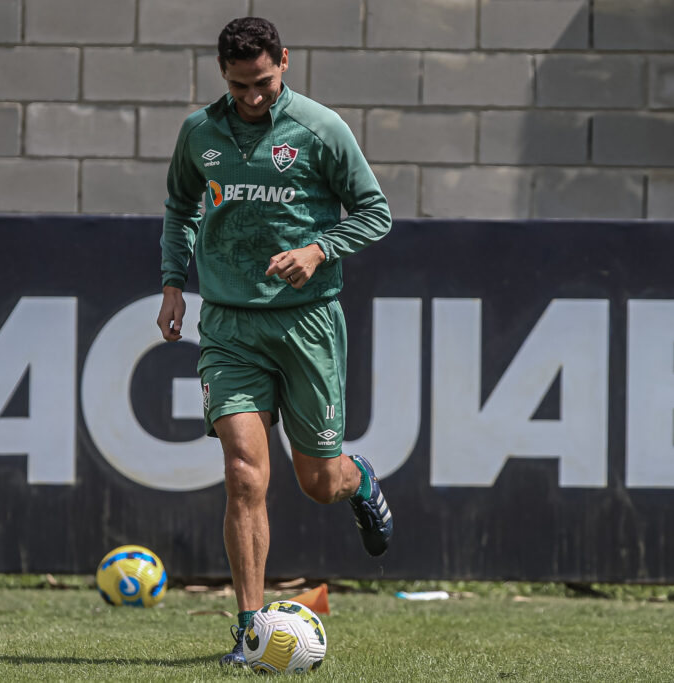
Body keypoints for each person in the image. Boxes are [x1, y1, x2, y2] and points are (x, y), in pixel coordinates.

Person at [156, 18, 394, 666]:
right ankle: (249, 629)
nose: (252, 97)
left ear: (284, 62)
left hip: (306, 324)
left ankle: (360, 478)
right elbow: (180, 206)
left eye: (262, 82)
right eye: (238, 86)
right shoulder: (200, 133)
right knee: (241, 473)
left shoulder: (321, 129)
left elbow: (376, 212)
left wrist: (319, 248)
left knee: (318, 480)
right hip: (230, 325)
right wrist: (175, 283)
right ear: (222, 74)